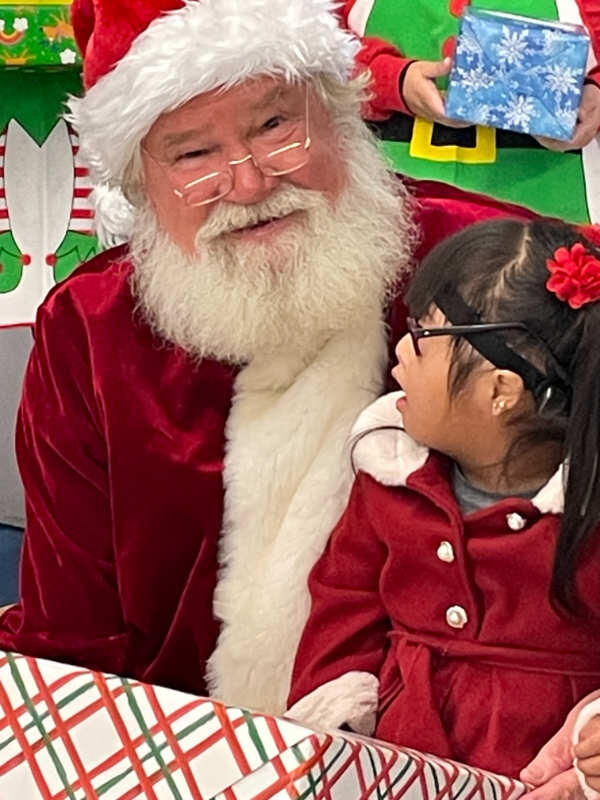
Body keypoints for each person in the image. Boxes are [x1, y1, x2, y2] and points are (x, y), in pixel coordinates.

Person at [0, 0, 524, 717]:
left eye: (276, 126)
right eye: (193, 154)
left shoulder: (496, 264)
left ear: (341, 118)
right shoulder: (89, 329)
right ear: (139, 187)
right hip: (184, 750)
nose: (248, 186)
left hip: (479, 749)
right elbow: (74, 641)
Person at [287, 217, 600, 778]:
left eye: (424, 338)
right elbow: (344, 595)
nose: (401, 352)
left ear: (499, 391)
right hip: (394, 754)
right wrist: (332, 719)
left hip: (541, 769)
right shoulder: (390, 474)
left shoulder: (587, 511)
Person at [338, 1, 600, 222]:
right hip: (383, 197)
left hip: (553, 191)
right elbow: (314, 47)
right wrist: (391, 79)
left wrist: (596, 94)